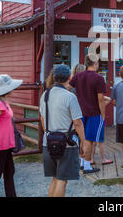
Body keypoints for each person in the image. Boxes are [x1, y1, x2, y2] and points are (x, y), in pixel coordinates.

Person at [39, 64, 85, 197]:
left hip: (48, 142)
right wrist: (84, 142)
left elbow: (42, 119)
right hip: (66, 144)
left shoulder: (45, 95)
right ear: (69, 78)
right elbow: (77, 123)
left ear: (53, 77)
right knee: (62, 180)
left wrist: (49, 134)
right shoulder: (70, 97)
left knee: (55, 178)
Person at [68, 54, 108, 174]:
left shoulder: (78, 76)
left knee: (82, 138)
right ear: (95, 63)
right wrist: (103, 114)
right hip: (94, 112)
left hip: (80, 112)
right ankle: (87, 166)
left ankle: (82, 163)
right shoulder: (99, 78)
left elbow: (67, 88)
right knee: (89, 140)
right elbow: (100, 99)